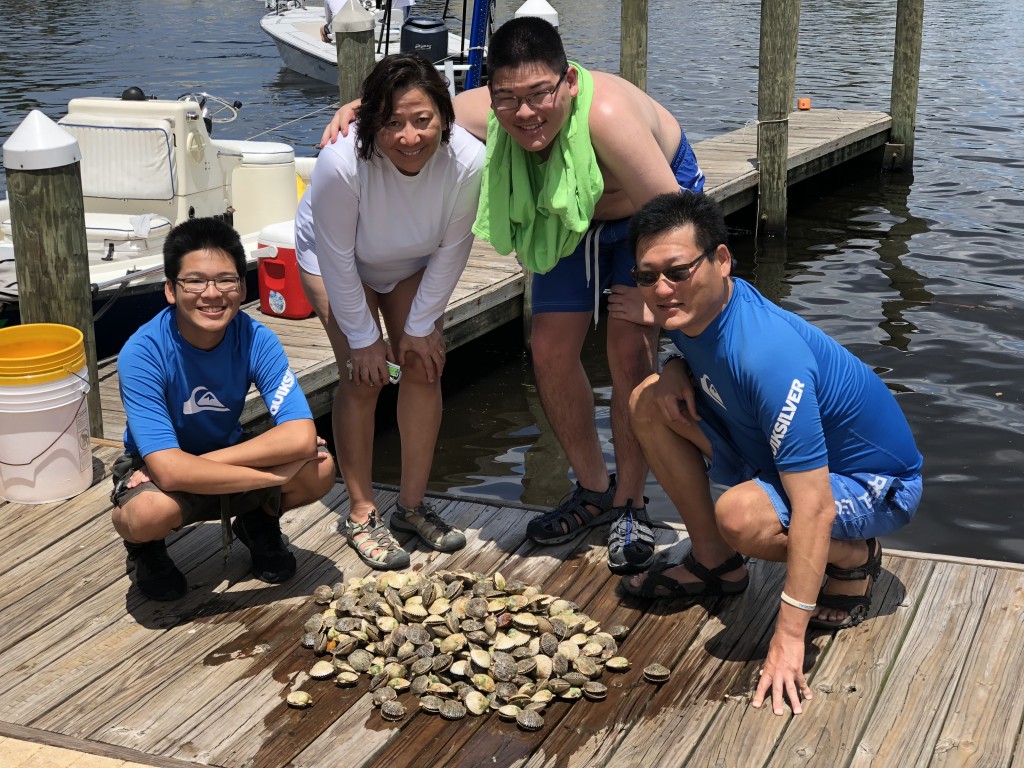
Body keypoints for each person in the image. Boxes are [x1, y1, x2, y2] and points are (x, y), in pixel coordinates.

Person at [323, 16, 705, 575]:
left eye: (539, 95)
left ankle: (630, 502)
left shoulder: (608, 118)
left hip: (650, 219)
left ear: (568, 82)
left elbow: (680, 220)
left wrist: (660, 297)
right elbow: (414, 103)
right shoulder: (486, 107)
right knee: (549, 351)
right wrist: (359, 105)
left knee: (629, 351)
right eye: (508, 98)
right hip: (567, 216)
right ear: (492, 91)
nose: (525, 113)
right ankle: (593, 490)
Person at [621, 192, 923, 716]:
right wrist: (672, 369)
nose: (662, 290)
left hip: (875, 480)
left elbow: (814, 506)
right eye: (647, 277)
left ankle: (855, 559)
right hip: (767, 446)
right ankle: (716, 564)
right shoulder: (697, 312)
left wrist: (787, 636)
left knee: (741, 516)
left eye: (677, 271)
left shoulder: (766, 354)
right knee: (647, 401)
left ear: (721, 260)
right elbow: (697, 353)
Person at [296, 53, 483, 570]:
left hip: (413, 259)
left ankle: (412, 506)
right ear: (371, 121)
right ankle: (360, 512)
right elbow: (334, 255)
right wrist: (363, 337)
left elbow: (455, 245)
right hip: (339, 259)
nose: (409, 136)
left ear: (444, 117)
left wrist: (421, 329)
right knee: (364, 376)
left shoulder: (468, 160)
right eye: (393, 123)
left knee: (423, 366)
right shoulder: (341, 162)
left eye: (422, 120)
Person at [111, 218, 336, 602]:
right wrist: (271, 479)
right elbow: (165, 468)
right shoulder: (142, 352)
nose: (211, 294)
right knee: (146, 512)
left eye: (226, 280)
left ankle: (257, 522)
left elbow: (300, 435)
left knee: (321, 468)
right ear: (170, 289)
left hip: (210, 455)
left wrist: (197, 465)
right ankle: (145, 549)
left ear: (243, 286)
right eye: (194, 281)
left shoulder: (257, 338)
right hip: (156, 468)